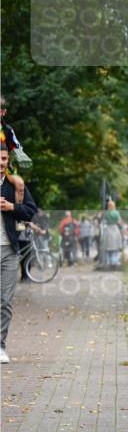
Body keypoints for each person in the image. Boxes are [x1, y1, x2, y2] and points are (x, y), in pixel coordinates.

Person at [0, 143, 38, 364]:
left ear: (8, 161)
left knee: (4, 300)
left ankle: (0, 346)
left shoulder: (15, 186)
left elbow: (31, 210)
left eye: (4, 159)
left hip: (8, 250)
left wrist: (11, 208)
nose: (1, 163)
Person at [102, 200, 124, 267]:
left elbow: (103, 221)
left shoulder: (106, 213)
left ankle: (108, 261)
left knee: (108, 246)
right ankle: (114, 261)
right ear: (114, 206)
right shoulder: (116, 213)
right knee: (115, 245)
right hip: (115, 229)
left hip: (108, 229)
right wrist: (121, 227)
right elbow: (119, 222)